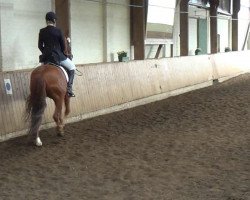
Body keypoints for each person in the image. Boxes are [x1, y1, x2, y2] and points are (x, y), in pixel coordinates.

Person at [38, 11, 76, 97]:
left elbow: (39, 46)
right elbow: (63, 46)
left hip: (46, 57)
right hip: (58, 56)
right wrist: (63, 53)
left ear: (46, 20)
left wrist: (45, 52)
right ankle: (69, 89)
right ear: (54, 21)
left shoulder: (42, 31)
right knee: (72, 67)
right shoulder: (58, 31)